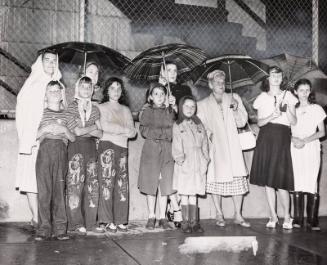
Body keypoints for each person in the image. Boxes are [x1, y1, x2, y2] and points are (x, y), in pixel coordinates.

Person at [197, 70, 250, 228]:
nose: (220, 84)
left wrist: (236, 109)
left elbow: (242, 122)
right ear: (210, 84)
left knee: (237, 178)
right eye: (217, 82)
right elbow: (201, 125)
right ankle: (219, 214)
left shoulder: (234, 98)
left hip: (233, 146)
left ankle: (238, 214)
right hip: (216, 147)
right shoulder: (203, 104)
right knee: (215, 179)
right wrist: (209, 135)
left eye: (222, 82)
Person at [15, 49, 62, 228]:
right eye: (47, 60)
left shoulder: (59, 85)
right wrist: (30, 134)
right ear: (40, 63)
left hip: (52, 139)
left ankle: (47, 217)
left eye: (53, 60)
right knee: (31, 177)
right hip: (34, 139)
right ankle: (36, 217)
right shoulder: (32, 84)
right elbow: (24, 110)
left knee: (50, 179)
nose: (50, 63)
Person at [250, 66, 297, 230]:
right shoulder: (262, 97)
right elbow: (260, 123)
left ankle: (287, 217)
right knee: (268, 182)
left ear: (282, 77)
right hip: (266, 137)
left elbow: (293, 122)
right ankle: (273, 216)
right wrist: (272, 115)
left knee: (281, 182)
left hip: (282, 136)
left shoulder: (289, 96)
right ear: (268, 78)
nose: (276, 77)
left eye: (279, 74)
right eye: (273, 74)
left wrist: (286, 109)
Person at [34, 81, 75, 241]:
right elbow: (33, 135)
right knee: (44, 191)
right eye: (51, 91)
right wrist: (44, 129)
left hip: (61, 152)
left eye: (58, 90)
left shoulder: (66, 114)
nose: (55, 93)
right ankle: (44, 228)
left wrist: (64, 130)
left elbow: (72, 137)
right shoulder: (41, 113)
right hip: (44, 152)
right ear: (45, 95)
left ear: (62, 94)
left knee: (59, 190)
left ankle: (60, 228)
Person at [97, 77, 137, 232]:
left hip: (122, 148)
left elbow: (133, 132)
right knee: (106, 182)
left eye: (119, 88)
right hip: (106, 146)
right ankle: (105, 220)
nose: (115, 91)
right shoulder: (101, 107)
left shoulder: (125, 109)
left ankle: (120, 219)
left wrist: (120, 129)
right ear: (107, 90)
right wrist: (123, 129)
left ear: (122, 92)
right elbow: (103, 126)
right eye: (112, 88)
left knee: (121, 185)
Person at [66, 76, 103, 234]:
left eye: (89, 87)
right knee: (75, 185)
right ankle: (75, 222)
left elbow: (101, 133)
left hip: (90, 149)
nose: (86, 90)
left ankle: (91, 222)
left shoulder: (95, 109)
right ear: (77, 89)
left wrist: (87, 129)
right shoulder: (71, 107)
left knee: (92, 185)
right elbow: (76, 132)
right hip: (75, 147)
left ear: (93, 90)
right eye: (83, 87)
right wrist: (92, 127)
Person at [158, 61, 193, 227]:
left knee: (181, 173)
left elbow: (188, 114)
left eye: (175, 70)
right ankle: (174, 208)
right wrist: (165, 103)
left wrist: (175, 107)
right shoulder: (156, 90)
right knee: (167, 175)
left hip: (181, 136)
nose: (172, 73)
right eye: (168, 70)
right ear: (162, 72)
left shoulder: (184, 90)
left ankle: (174, 208)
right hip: (164, 138)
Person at [138, 82, 176, 230]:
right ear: (150, 97)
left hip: (167, 150)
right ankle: (151, 216)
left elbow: (175, 130)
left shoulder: (170, 111)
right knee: (151, 183)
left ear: (166, 97)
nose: (159, 97)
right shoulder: (147, 111)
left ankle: (163, 217)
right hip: (151, 150)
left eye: (162, 94)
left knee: (166, 184)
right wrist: (161, 133)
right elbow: (144, 130)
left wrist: (174, 108)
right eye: (156, 94)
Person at [291, 79, 326, 231]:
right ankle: (297, 218)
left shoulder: (317, 108)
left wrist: (305, 140)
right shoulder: (291, 109)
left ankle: (313, 220)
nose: (304, 93)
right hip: (295, 147)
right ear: (295, 92)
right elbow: (286, 130)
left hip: (311, 146)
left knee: (311, 182)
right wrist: (294, 140)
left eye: (307, 90)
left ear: (310, 91)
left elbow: (322, 131)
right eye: (301, 90)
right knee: (297, 181)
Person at [172, 95, 209, 233]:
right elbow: (176, 144)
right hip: (185, 164)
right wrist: (180, 158)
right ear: (181, 107)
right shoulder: (177, 125)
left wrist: (206, 159)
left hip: (198, 163)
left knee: (194, 193)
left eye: (192, 106)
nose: (189, 109)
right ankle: (185, 222)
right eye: (186, 106)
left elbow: (204, 143)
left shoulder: (199, 124)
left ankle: (194, 222)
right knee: (185, 194)